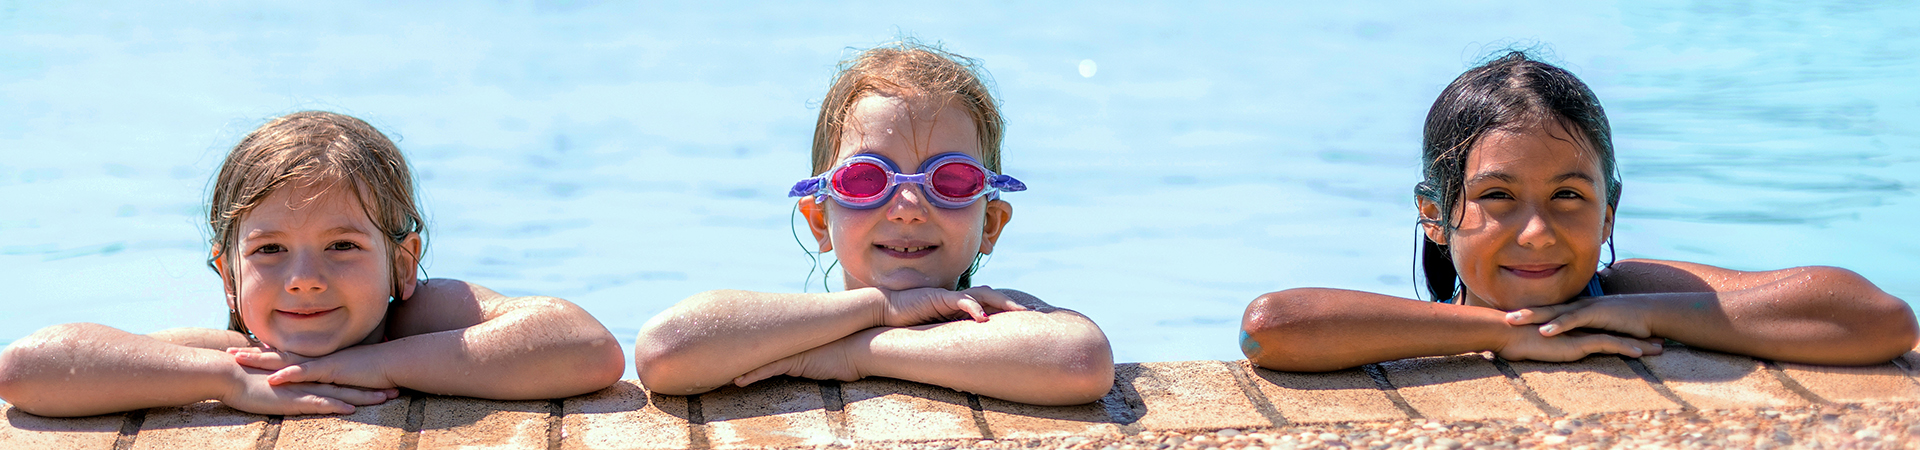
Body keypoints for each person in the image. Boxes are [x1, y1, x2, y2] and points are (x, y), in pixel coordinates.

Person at [1240, 51, 1917, 372]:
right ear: (1433, 214)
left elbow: (1881, 321)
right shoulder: (1405, 327)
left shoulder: (1628, 292)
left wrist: (1648, 313)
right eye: (1497, 197)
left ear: (1609, 215)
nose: (1536, 233)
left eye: (1568, 196)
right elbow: (1268, 332)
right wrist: (1504, 334)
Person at [0, 111, 625, 417]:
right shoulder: (236, 353)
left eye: (342, 246)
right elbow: (27, 367)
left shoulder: (421, 316)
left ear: (403, 264)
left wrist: (371, 363)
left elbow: (587, 346)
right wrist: (227, 383)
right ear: (227, 275)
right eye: (269, 250)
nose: (304, 277)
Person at [633, 41, 1113, 405]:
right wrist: (879, 309)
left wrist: (858, 355)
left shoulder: (998, 314)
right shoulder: (783, 330)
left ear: (991, 222)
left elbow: (1080, 361)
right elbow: (664, 351)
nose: (907, 206)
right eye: (866, 179)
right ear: (819, 219)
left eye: (950, 179)